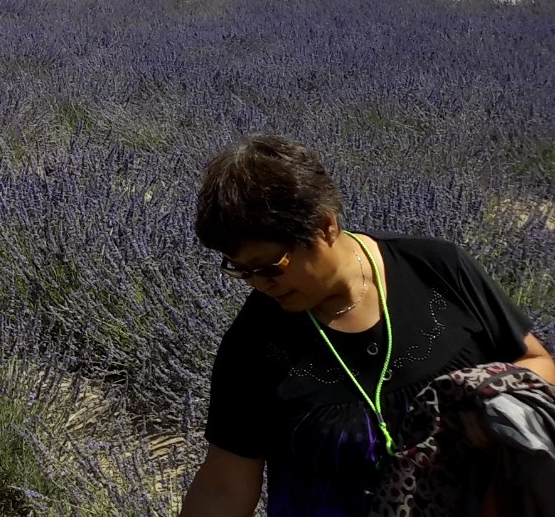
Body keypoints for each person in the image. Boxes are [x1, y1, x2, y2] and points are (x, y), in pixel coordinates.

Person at [180, 136, 555, 517]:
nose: (259, 284)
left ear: (325, 227)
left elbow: (538, 363)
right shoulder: (253, 344)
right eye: (241, 271)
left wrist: (484, 401)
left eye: (270, 267)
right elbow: (223, 487)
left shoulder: (437, 267)